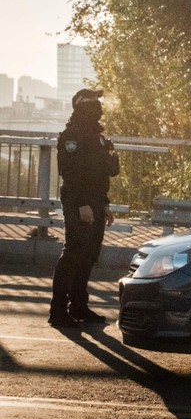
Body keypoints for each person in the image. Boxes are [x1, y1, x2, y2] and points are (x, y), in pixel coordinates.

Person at [48, 89, 120, 329]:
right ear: (81, 106)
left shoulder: (96, 136)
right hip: (78, 199)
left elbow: (101, 174)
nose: (98, 107)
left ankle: (78, 306)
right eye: (93, 103)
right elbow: (70, 174)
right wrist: (82, 205)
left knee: (89, 254)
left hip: (96, 200)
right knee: (73, 253)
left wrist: (105, 204)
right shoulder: (72, 135)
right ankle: (58, 311)